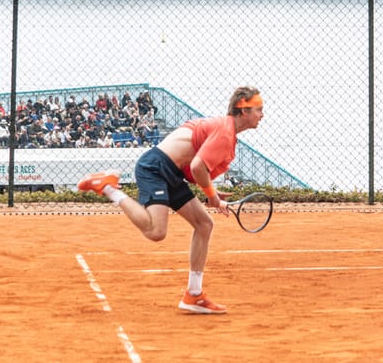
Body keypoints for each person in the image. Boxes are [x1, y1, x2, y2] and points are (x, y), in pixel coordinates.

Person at [77, 86, 264, 315]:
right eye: (258, 109)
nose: (262, 114)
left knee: (204, 224)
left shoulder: (225, 131)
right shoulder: (225, 131)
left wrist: (212, 195)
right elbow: (197, 167)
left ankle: (193, 295)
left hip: (171, 171)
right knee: (156, 232)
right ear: (243, 109)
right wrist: (211, 195)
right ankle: (108, 187)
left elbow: (194, 166)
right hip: (155, 167)